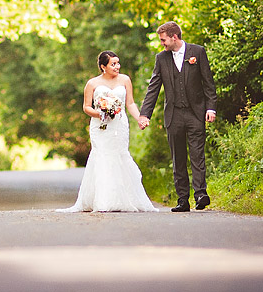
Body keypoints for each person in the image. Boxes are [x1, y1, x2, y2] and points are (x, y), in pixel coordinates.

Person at [56, 51, 158, 213]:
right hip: (100, 127)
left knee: (119, 155)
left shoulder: (125, 80)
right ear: (103, 67)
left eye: (118, 63)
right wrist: (100, 113)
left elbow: (130, 103)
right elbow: (86, 107)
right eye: (113, 64)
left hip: (119, 125)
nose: (117, 67)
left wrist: (140, 118)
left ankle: (125, 199)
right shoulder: (92, 83)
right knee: (102, 156)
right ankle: (103, 200)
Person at [138, 21, 217, 212]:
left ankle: (200, 194)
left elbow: (208, 83)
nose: (162, 43)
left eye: (164, 40)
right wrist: (144, 114)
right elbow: (153, 88)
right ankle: (183, 199)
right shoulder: (161, 58)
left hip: (195, 113)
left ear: (174, 37)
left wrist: (211, 108)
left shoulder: (197, 52)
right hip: (173, 115)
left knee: (197, 155)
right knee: (178, 158)